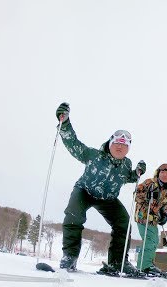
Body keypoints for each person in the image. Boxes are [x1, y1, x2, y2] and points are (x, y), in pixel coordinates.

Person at [55, 102, 146, 274]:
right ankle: (70, 257)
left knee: (124, 224)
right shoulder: (94, 155)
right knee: (74, 215)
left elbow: (129, 177)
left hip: (108, 199)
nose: (120, 146)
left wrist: (138, 172)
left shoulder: (126, 164)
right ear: (110, 143)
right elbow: (73, 144)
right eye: (117, 142)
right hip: (85, 191)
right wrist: (65, 123)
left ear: (128, 149)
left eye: (125, 145)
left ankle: (118, 263)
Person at [134, 164, 167, 277]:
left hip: (154, 219)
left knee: (154, 241)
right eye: (162, 172)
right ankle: (144, 266)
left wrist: (164, 214)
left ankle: (147, 264)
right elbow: (136, 195)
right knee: (150, 240)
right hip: (143, 216)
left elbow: (164, 205)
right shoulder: (149, 183)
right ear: (158, 173)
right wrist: (147, 195)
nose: (165, 175)